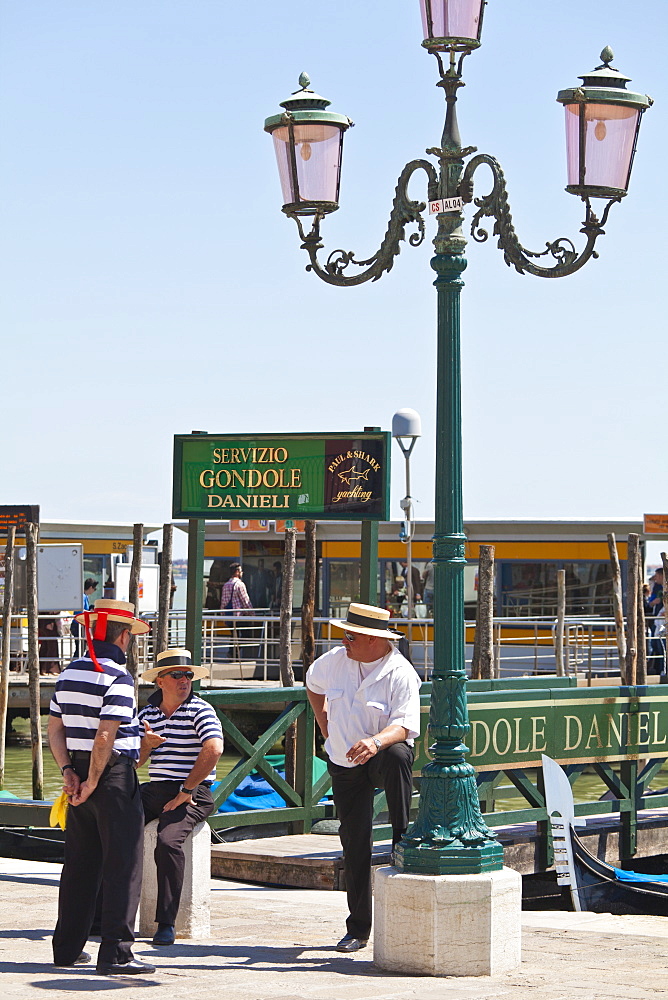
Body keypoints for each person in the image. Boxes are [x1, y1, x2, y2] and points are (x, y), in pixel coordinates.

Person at [48, 599, 155, 976]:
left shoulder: (68, 674)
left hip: (76, 775)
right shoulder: (120, 679)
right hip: (110, 777)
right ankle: (117, 953)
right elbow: (105, 736)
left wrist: (68, 773)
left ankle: (66, 949)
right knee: (123, 865)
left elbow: (55, 730)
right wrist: (93, 780)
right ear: (124, 636)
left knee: (80, 864)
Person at [305, 602, 421, 953]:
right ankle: (357, 929)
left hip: (380, 754)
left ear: (374, 639)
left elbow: (405, 726)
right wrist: (323, 722)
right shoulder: (335, 660)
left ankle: (402, 833)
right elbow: (312, 684)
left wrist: (375, 742)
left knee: (400, 754)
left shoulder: (401, 672)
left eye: (351, 635)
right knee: (355, 843)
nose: (345, 640)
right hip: (343, 760)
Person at [137, 649, 224, 946]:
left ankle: (166, 922)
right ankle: (102, 916)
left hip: (194, 790)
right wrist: (146, 746)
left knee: (168, 841)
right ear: (160, 681)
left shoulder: (201, 710)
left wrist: (186, 790)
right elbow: (134, 762)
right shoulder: (146, 714)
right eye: (176, 675)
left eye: (188, 675)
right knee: (114, 829)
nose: (184, 680)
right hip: (156, 787)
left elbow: (214, 749)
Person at [70, 578, 98, 658]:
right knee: (80, 647)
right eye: (94, 589)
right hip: (78, 624)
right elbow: (80, 611)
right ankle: (75, 663)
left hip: (79, 624)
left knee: (81, 647)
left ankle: (76, 662)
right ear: (90, 587)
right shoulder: (83, 596)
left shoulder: (84, 596)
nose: (94, 591)